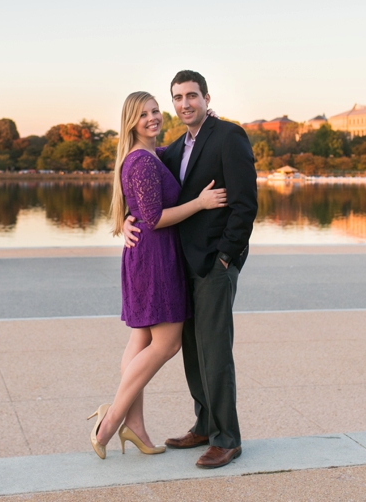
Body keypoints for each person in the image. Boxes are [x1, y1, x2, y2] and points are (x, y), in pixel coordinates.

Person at [124, 71, 258, 469]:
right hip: (179, 264)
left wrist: (226, 257)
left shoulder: (228, 136)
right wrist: (126, 221)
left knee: (215, 351)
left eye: (192, 96)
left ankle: (226, 438)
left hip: (214, 264)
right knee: (193, 351)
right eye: (178, 97)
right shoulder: (172, 148)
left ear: (206, 97)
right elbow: (141, 190)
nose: (185, 104)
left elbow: (245, 203)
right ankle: (203, 423)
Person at [89, 91, 228, 459]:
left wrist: (125, 219)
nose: (153, 118)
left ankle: (135, 427)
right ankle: (110, 421)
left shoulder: (152, 155)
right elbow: (154, 218)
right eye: (143, 114)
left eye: (155, 111)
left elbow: (142, 205)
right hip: (155, 260)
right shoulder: (143, 162)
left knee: (139, 342)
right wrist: (199, 203)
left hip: (146, 258)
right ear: (131, 122)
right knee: (166, 344)